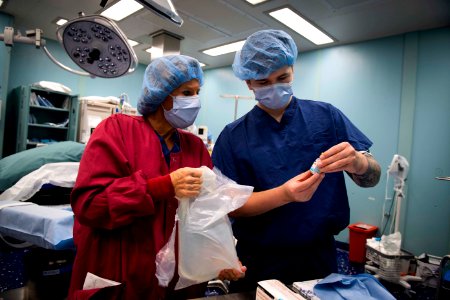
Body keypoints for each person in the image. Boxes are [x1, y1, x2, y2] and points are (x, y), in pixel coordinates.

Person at [212, 29, 381, 292]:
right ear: (248, 83)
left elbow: (373, 177)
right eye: (263, 82)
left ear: (292, 69)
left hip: (319, 258)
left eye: (282, 77)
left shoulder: (327, 117)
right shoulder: (233, 136)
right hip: (258, 260)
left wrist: (358, 162)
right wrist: (283, 194)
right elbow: (228, 205)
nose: (274, 87)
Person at [68, 55, 244, 300]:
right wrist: (163, 186)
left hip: (178, 284)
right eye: (186, 92)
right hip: (122, 275)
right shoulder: (117, 130)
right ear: (162, 95)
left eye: (197, 92)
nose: (195, 101)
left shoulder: (195, 147)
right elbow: (89, 205)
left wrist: (218, 258)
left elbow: (206, 218)